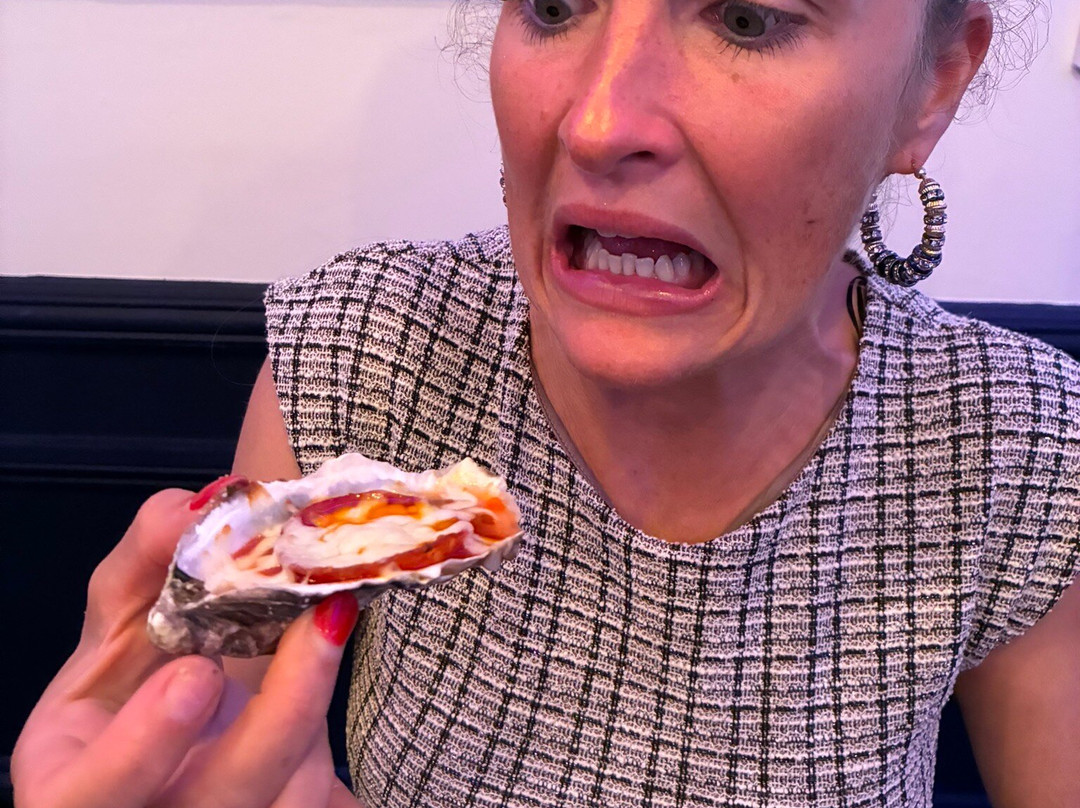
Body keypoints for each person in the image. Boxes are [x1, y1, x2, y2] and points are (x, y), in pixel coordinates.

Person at [13, 0, 1080, 806]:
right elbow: (218, 731)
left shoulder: (1015, 446)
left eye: (747, 20)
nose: (599, 122)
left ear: (935, 83)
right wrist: (150, 756)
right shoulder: (368, 350)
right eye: (557, 4)